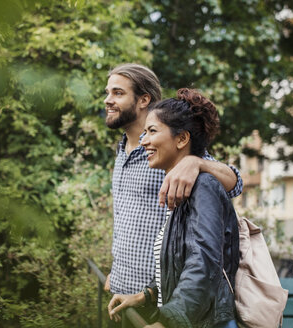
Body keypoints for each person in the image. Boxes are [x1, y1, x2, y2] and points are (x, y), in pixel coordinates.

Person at [104, 64, 242, 319]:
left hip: (166, 304)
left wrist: (197, 162)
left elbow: (233, 184)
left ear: (143, 99)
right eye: (108, 92)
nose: (108, 100)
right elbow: (125, 219)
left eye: (117, 93)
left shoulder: (170, 151)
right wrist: (117, 272)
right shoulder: (122, 151)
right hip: (127, 296)